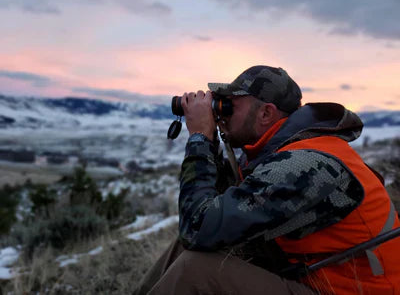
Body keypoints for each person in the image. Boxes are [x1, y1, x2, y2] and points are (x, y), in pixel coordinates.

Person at [134, 65, 400, 294]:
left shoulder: (304, 164)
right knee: (186, 246)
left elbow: (199, 226)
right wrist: (213, 143)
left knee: (197, 269)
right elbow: (219, 211)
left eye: (229, 105)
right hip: (310, 276)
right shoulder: (278, 152)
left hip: (348, 290)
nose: (221, 113)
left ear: (265, 114)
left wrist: (200, 140)